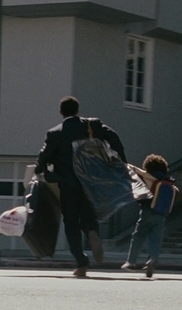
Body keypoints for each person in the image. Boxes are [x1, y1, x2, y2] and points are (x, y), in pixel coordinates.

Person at [35, 96, 126, 277]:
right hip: (91, 182)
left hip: (68, 184)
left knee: (70, 222)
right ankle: (91, 229)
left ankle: (81, 262)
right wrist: (121, 161)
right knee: (88, 212)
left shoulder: (56, 133)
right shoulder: (92, 125)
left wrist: (39, 168)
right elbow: (114, 137)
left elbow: (45, 154)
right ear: (77, 110)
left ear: (61, 112)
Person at [121, 154, 178, 278]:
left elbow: (133, 171)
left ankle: (131, 261)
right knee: (156, 238)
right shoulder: (167, 180)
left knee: (139, 235)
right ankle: (152, 260)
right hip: (162, 213)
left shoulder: (149, 177)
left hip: (148, 210)